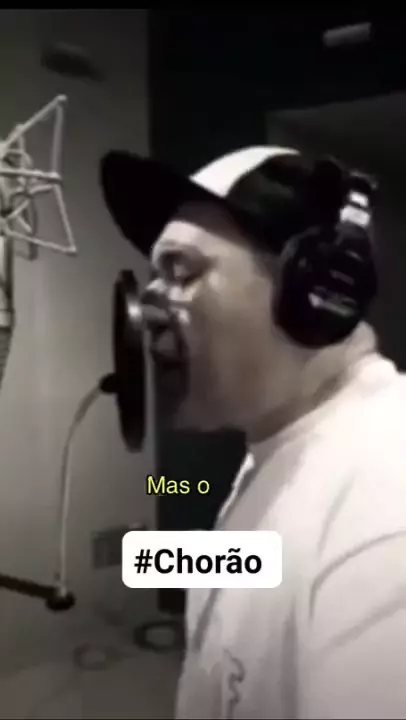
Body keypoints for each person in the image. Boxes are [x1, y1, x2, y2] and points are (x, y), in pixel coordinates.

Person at [101, 145, 406, 719]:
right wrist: (151, 557)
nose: (152, 303)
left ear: (316, 297)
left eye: (181, 271)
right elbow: (277, 555)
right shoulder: (285, 436)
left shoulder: (388, 502)